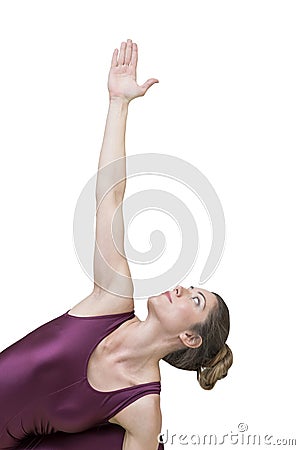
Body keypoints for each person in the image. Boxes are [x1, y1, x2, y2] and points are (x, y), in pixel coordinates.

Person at [0, 39, 233, 450]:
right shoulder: (112, 299)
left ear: (191, 339)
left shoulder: (143, 409)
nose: (181, 287)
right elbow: (109, 196)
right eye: (192, 287)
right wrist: (118, 103)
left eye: (194, 300)